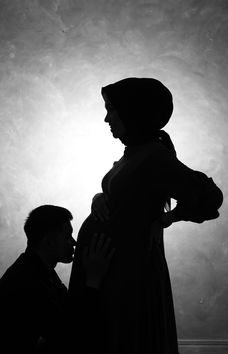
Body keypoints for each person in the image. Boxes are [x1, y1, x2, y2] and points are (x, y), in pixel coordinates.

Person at [69, 77, 223, 354]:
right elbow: (127, 195)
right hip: (111, 269)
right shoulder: (133, 154)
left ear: (132, 111)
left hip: (130, 271)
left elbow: (210, 197)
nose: (106, 118)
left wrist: (170, 217)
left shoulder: (154, 156)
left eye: (111, 109)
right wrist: (99, 197)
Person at [0, 205, 115, 354]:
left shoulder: (38, 270)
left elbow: (68, 310)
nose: (74, 242)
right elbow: (71, 337)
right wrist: (94, 279)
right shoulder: (27, 283)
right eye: (67, 236)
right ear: (49, 242)